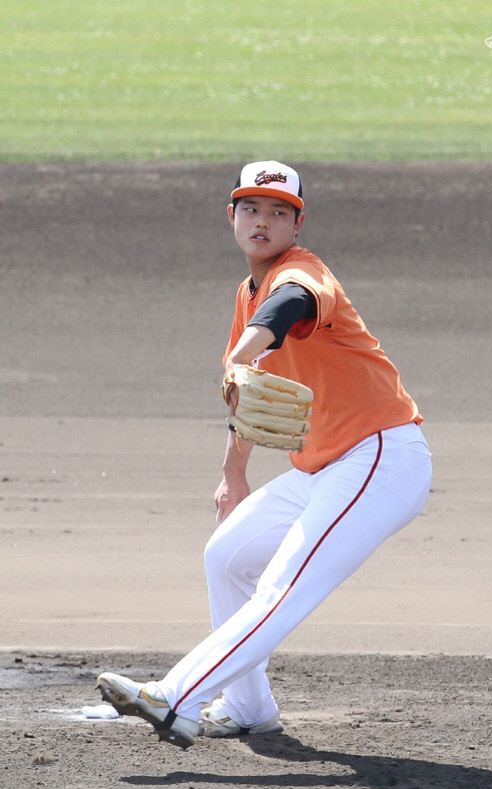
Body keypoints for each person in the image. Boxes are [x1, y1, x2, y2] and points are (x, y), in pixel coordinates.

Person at [97, 160, 433, 749]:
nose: (263, 220)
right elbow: (251, 392)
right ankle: (249, 707)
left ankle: (176, 697)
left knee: (283, 582)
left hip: (381, 459)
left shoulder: (303, 274)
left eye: (279, 212)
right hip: (324, 468)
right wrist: (234, 474)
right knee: (227, 557)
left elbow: (287, 311)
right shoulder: (246, 291)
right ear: (232, 216)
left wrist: (242, 352)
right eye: (251, 208)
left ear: (296, 226)